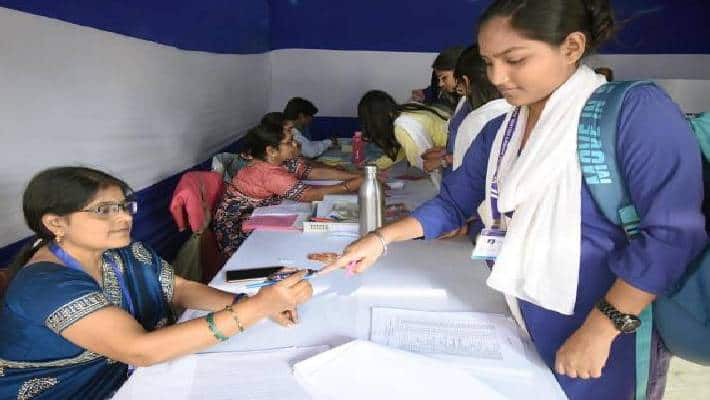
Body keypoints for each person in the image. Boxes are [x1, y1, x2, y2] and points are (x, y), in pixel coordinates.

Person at [322, 1, 707, 399]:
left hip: (608, 330)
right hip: (520, 315)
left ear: (572, 47)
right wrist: (380, 239)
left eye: (515, 59)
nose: (498, 77)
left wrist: (600, 328)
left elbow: (671, 234)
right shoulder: (501, 130)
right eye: (489, 62)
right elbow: (453, 204)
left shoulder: (634, 112)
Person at [0, 167, 313, 399]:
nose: (124, 218)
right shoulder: (45, 286)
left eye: (125, 206)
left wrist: (245, 305)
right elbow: (139, 350)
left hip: (132, 377)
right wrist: (257, 307)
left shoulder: (123, 252)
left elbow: (178, 288)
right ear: (55, 223)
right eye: (104, 211)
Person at [213, 123, 363, 258]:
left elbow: (312, 172)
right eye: (289, 142)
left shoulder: (281, 161)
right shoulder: (268, 173)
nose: (295, 144)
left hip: (260, 215)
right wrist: (349, 186)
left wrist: (356, 176)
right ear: (271, 151)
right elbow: (308, 194)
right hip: (237, 232)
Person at [357, 90, 450, 182]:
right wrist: (376, 165)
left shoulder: (402, 127)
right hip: (453, 151)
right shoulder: (406, 110)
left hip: (453, 161)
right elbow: (400, 149)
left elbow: (424, 165)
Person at [411, 46, 465, 113]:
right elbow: (434, 91)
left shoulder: (474, 100)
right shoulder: (442, 89)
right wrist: (424, 93)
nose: (440, 84)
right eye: (439, 79)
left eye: (444, 78)